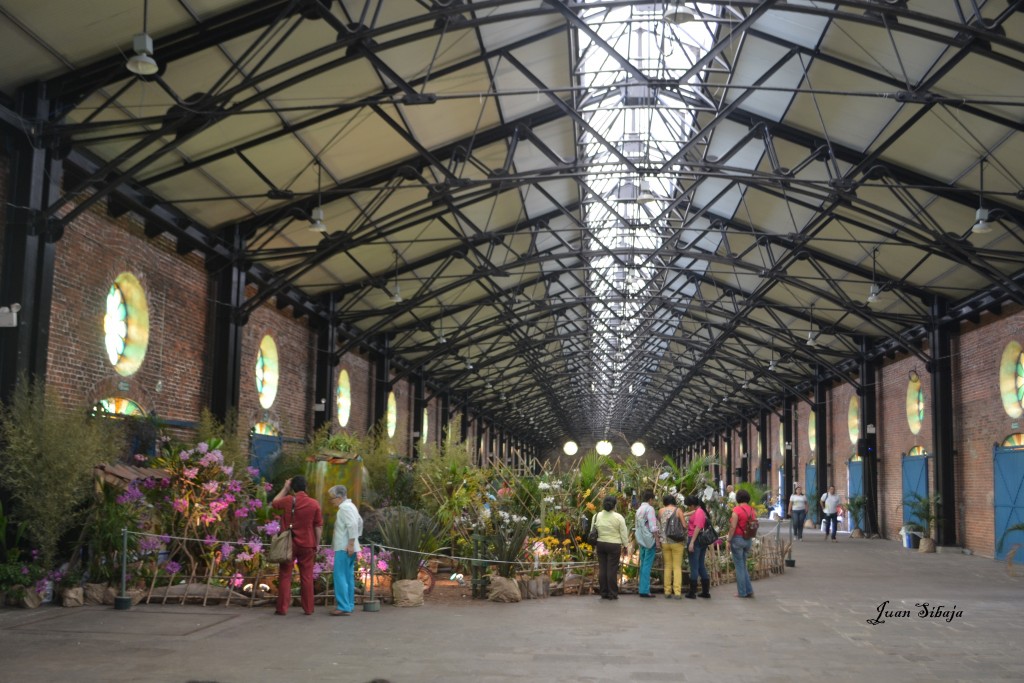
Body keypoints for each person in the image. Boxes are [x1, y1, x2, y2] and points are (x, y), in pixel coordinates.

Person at [271, 475, 323, 616]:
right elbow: (318, 526)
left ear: (293, 488)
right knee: (307, 576)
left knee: (285, 575)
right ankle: (308, 609)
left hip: (289, 544)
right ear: (306, 487)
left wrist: (285, 488)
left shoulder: (288, 500)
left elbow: (274, 503)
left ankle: (282, 608)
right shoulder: (314, 503)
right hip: (307, 544)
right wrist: (316, 544)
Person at [328, 484, 362, 616]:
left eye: (333, 498)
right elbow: (359, 522)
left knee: (340, 576)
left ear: (340, 497)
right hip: (349, 546)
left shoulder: (344, 508)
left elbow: (353, 524)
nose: (332, 501)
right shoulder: (351, 506)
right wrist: (355, 541)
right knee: (348, 576)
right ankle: (349, 604)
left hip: (344, 547)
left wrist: (350, 543)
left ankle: (343, 606)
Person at [592, 494, 629, 600]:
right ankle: (612, 593)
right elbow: (623, 533)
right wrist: (625, 545)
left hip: (600, 544)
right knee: (611, 569)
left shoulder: (597, 516)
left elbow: (592, 531)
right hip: (614, 545)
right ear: (614, 505)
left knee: (602, 568)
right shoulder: (618, 517)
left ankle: (603, 592)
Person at [728, 489, 756, 598]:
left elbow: (733, 527)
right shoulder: (752, 510)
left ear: (738, 498)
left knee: (739, 566)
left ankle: (742, 592)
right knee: (743, 565)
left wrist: (729, 539)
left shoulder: (737, 510)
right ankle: (749, 590)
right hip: (748, 539)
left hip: (737, 539)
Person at [684, 495, 711, 599]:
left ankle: (692, 591)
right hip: (700, 541)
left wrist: (692, 543)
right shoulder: (700, 510)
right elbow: (692, 513)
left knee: (694, 566)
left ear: (692, 505)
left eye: (688, 506)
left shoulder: (699, 512)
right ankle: (705, 591)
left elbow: (698, 527)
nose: (688, 508)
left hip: (695, 539)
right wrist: (685, 514)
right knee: (700, 565)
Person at [659, 494, 686, 599]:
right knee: (677, 567)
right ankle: (677, 592)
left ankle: (667, 591)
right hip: (677, 542)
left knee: (668, 566)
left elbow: (659, 524)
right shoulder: (678, 511)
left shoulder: (661, 511)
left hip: (665, 542)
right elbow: (684, 525)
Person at [634, 490, 660, 598]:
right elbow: (653, 527)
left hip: (641, 540)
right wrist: (657, 540)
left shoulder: (639, 509)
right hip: (649, 540)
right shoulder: (650, 509)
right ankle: (645, 590)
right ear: (650, 499)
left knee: (643, 563)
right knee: (647, 565)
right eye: (653, 500)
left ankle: (642, 588)